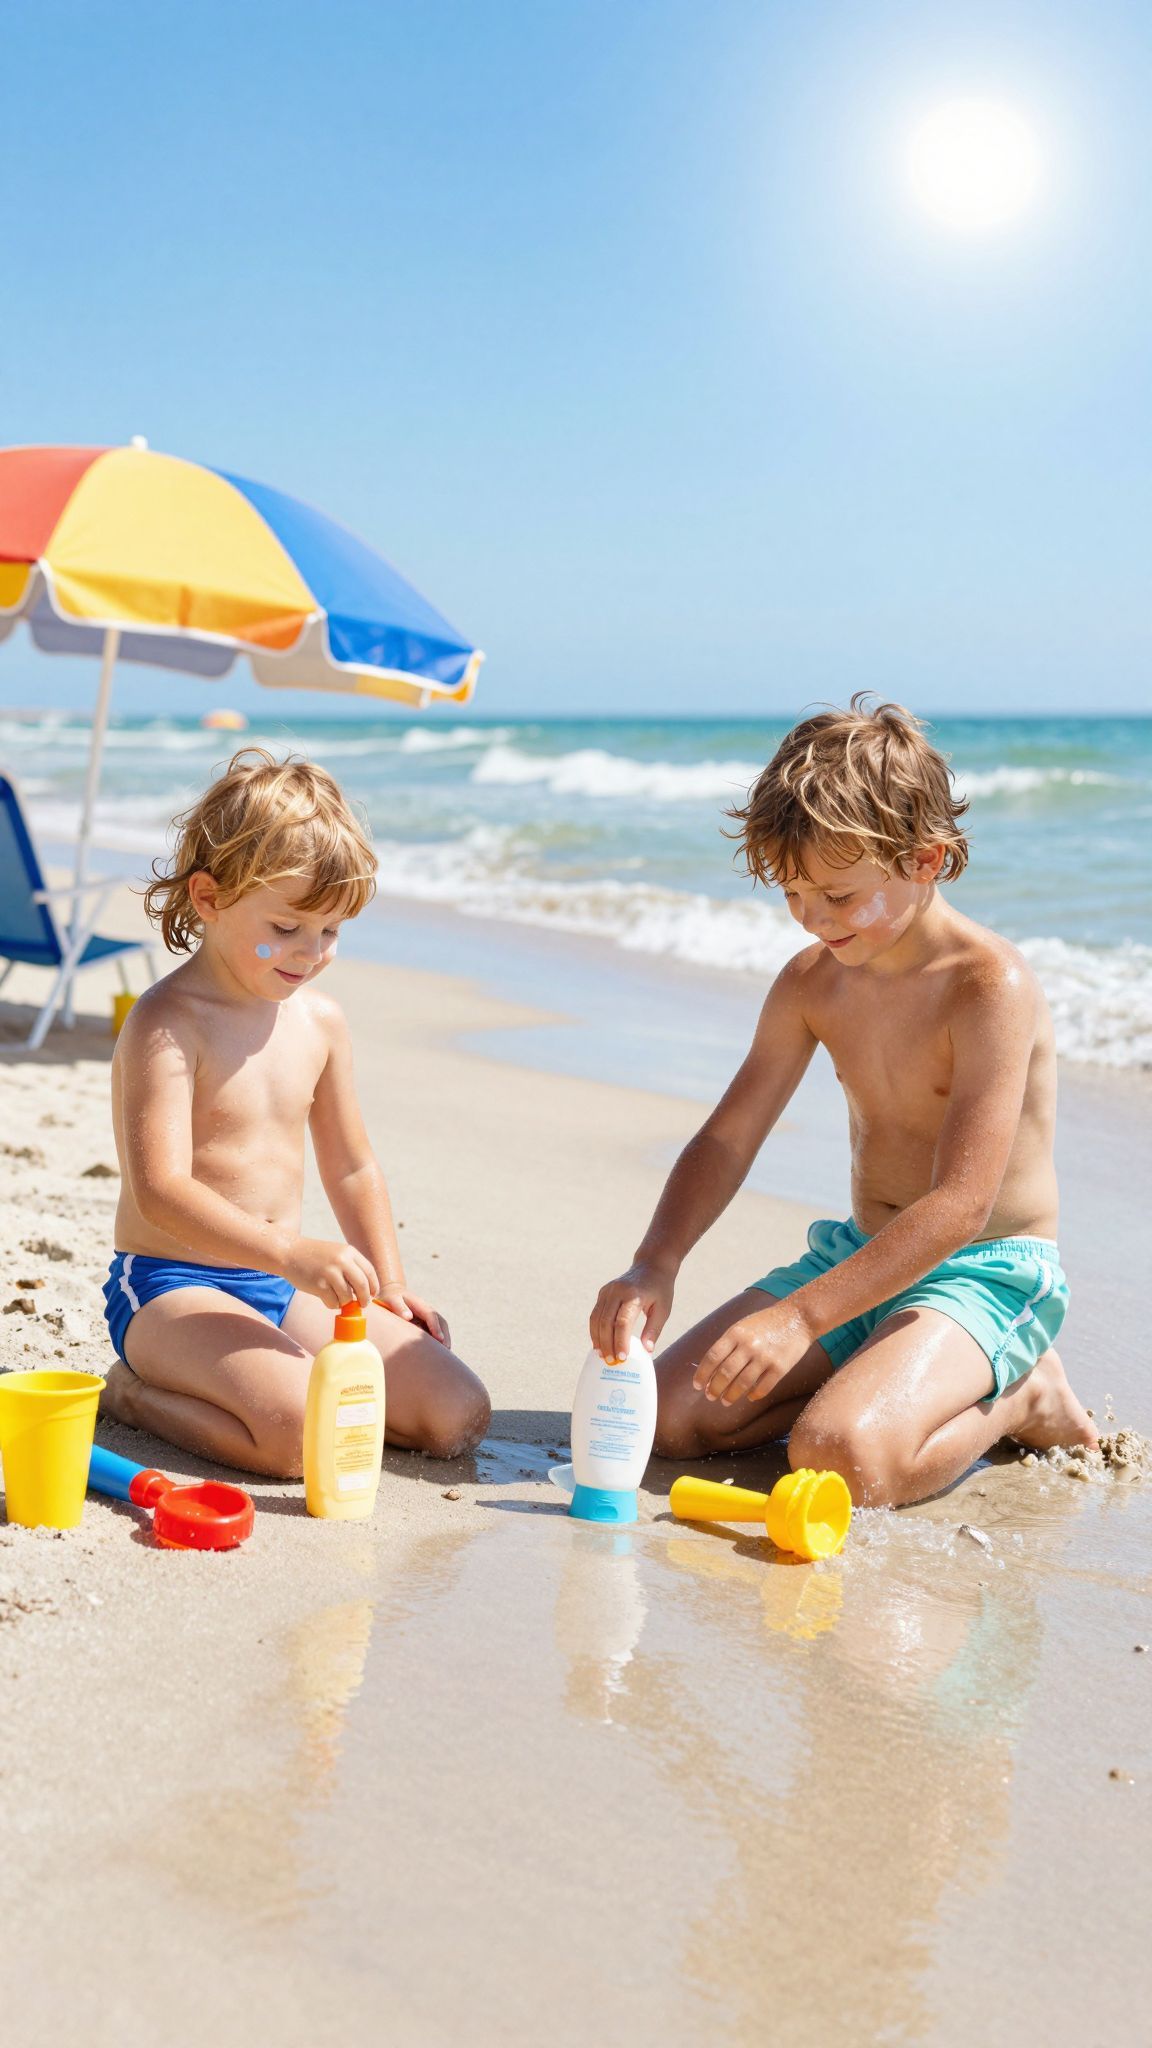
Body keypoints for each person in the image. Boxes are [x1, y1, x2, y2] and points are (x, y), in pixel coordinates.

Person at [590, 697, 1096, 1507]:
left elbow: (963, 1205)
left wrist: (800, 1319)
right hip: (859, 1255)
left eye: (838, 894)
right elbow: (728, 1139)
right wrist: (657, 1260)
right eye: (793, 895)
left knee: (839, 1457)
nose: (813, 920)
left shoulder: (987, 987)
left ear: (926, 860)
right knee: (672, 1420)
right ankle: (880, 1376)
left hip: (986, 1270)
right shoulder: (812, 984)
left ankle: (1022, 1395)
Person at [99, 749, 491, 1476]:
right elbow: (160, 1190)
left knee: (455, 1413)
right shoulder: (167, 1023)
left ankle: (272, 1384)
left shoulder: (320, 1023)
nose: (310, 953)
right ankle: (133, 1394)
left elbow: (352, 1167)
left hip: (280, 1287)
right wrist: (289, 1252)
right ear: (209, 898)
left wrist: (390, 1284)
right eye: (285, 927)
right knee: (306, 1437)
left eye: (331, 932)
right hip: (170, 1287)